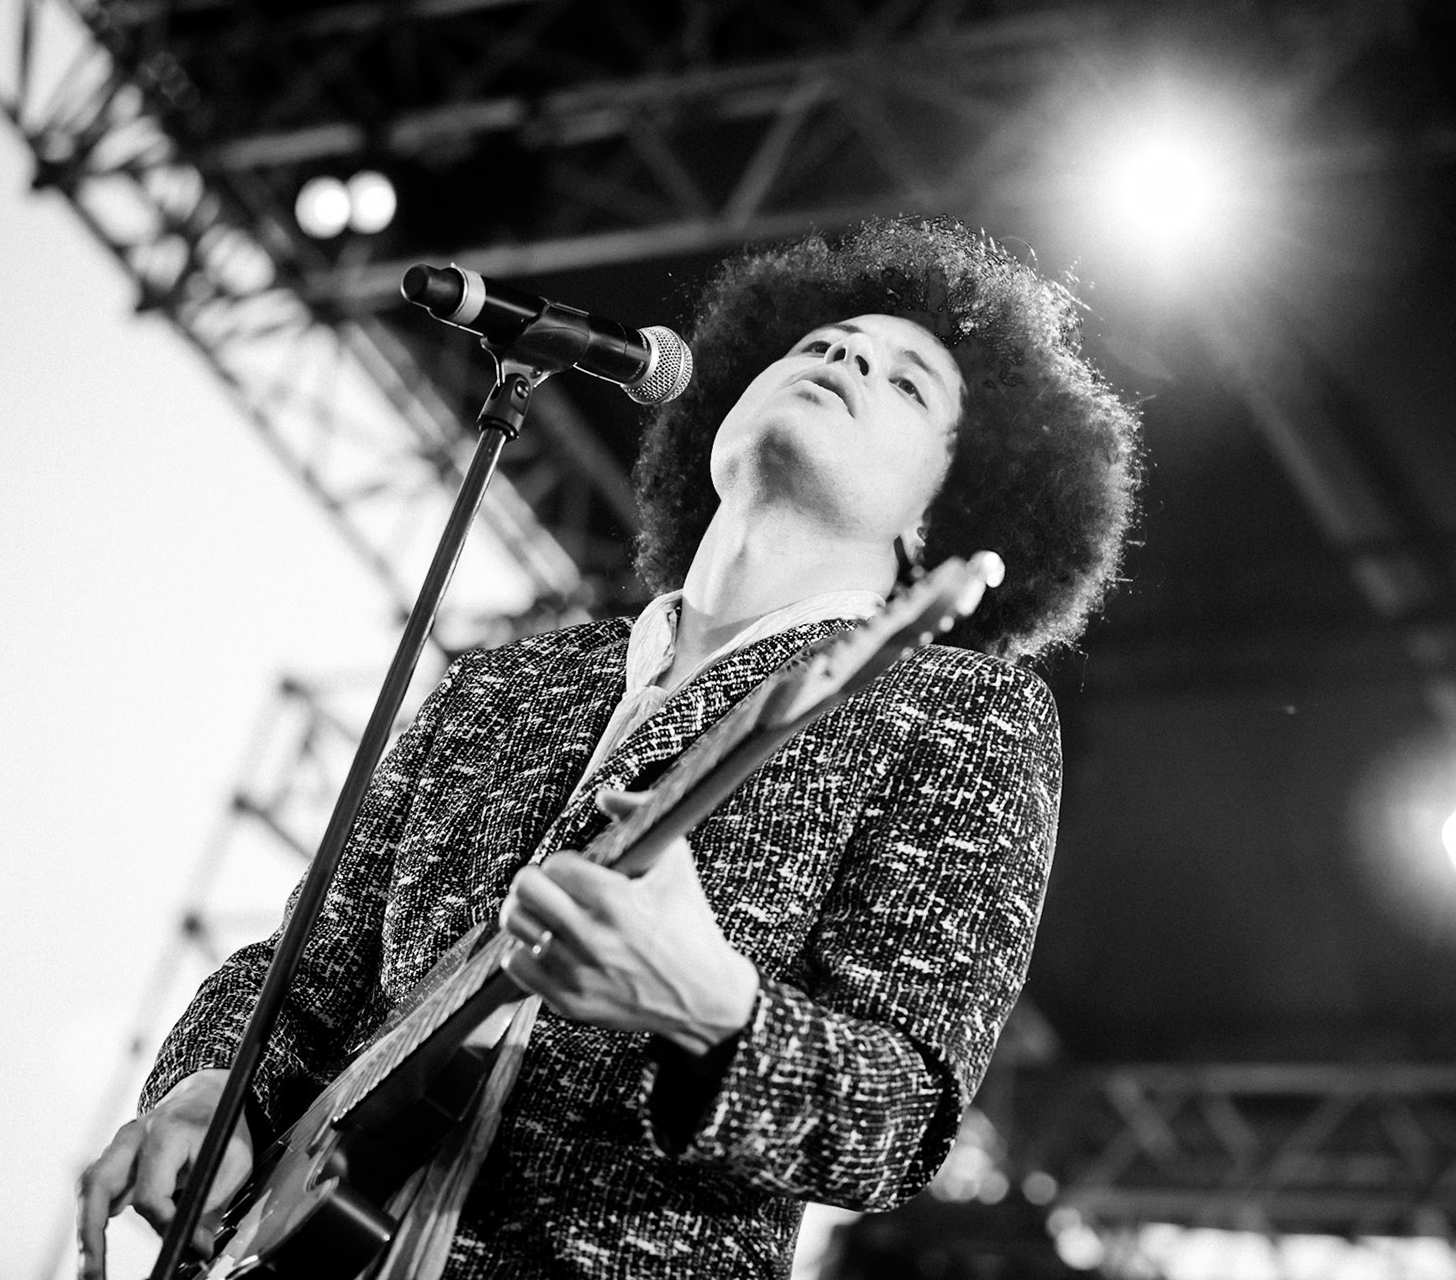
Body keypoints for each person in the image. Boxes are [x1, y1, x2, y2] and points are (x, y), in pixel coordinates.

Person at [76, 217, 1143, 1279]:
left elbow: (902, 1120)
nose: (848, 354)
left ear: (938, 522)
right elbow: (308, 971)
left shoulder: (962, 710)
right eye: (819, 345)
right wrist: (212, 1089)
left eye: (909, 382)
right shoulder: (503, 681)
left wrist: (714, 1009)